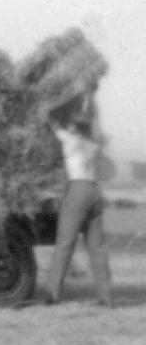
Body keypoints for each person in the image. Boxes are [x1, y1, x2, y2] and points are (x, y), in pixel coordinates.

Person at [45, 105, 112, 306]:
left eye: (73, 125)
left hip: (78, 189)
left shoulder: (71, 141)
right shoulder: (93, 145)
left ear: (76, 128)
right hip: (94, 190)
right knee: (97, 248)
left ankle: (52, 294)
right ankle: (105, 297)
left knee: (64, 244)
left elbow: (54, 127)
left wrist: (48, 115)